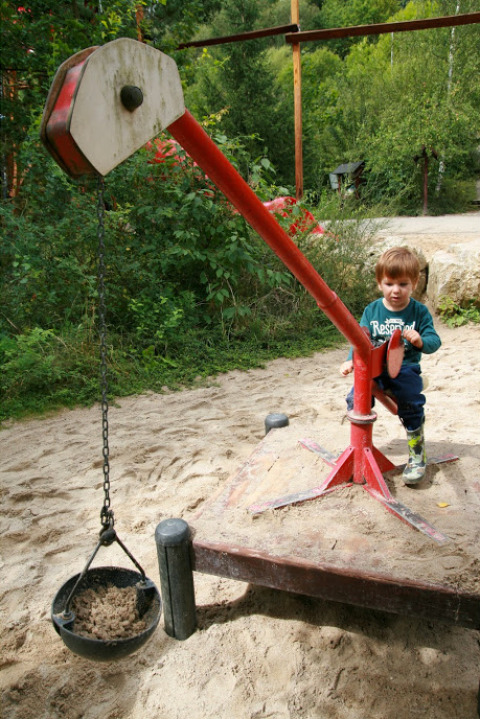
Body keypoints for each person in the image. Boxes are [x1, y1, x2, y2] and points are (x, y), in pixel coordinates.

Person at [340, 246, 441, 485]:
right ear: (379, 283)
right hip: (374, 368)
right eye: (389, 284)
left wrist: (419, 340)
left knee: (410, 401)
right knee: (355, 399)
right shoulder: (372, 310)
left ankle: (417, 452)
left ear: (414, 283)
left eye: (403, 284)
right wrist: (349, 361)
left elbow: (434, 341)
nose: (396, 290)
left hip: (405, 367)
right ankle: (360, 449)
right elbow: (360, 339)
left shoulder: (419, 312)